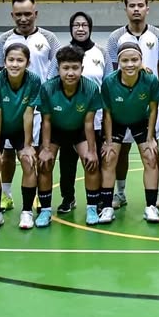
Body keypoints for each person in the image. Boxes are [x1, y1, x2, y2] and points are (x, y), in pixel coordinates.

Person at [0, 0, 61, 212]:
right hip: (12, 108)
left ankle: (37, 196)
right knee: (9, 154)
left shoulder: (49, 38)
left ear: (35, 14)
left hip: (40, 108)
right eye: (18, 14)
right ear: (12, 15)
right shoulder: (3, 40)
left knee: (35, 153)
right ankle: (6, 194)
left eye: (27, 14)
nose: (23, 18)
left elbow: (56, 68)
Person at [104, 0, 159, 210]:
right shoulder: (115, 38)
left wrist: (147, 88)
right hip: (122, 101)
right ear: (126, 9)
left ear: (147, 8)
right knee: (120, 150)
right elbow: (115, 68)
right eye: (132, 6)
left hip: (147, 101)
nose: (137, 9)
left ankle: (156, 191)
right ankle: (120, 193)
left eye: (141, 5)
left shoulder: (158, 35)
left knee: (152, 147)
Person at [37, 46, 106, 226]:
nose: (70, 73)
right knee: (44, 164)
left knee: (91, 163)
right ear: (58, 69)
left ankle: (91, 207)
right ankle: (45, 210)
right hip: (55, 130)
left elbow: (89, 122)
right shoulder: (47, 88)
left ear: (82, 69)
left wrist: (92, 151)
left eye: (75, 68)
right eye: (65, 68)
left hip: (79, 130)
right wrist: (45, 149)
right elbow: (46, 121)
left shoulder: (91, 88)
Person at [0, 42, 44, 230]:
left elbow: (28, 113)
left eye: (20, 60)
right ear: (4, 61)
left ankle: (26, 212)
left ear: (27, 62)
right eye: (11, 60)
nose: (15, 64)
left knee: (28, 161)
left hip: (19, 128)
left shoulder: (33, 80)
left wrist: (27, 144)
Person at [100, 42, 159, 223]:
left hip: (140, 121)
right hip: (117, 121)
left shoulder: (150, 80)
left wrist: (150, 139)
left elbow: (153, 110)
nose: (130, 64)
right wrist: (109, 141)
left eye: (134, 60)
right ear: (118, 62)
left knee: (150, 157)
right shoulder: (109, 82)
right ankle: (106, 207)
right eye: (125, 60)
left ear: (141, 60)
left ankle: (150, 206)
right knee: (109, 158)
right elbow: (107, 115)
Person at [52, 11, 106, 214]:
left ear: (90, 28)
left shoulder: (101, 52)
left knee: (93, 160)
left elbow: (108, 82)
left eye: (84, 25)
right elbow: (52, 81)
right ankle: (68, 198)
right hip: (66, 119)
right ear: (71, 28)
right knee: (67, 164)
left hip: (95, 119)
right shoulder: (63, 53)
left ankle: (97, 200)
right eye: (76, 25)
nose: (80, 28)